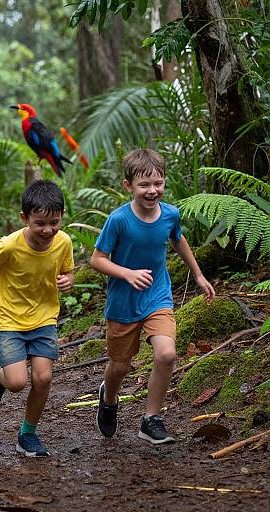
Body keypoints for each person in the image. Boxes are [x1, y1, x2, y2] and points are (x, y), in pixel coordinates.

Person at [90, 148, 215, 444]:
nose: (152, 191)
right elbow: (97, 259)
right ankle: (108, 398)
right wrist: (127, 273)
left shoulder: (170, 213)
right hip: (123, 303)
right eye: (144, 185)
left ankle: (151, 418)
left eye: (158, 183)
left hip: (158, 297)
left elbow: (178, 239)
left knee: (167, 353)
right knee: (120, 366)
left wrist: (197, 274)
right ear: (128, 186)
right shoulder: (118, 220)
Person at [0, 180, 74, 457]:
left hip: (45, 318)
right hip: (10, 321)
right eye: (40, 223)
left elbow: (69, 271)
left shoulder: (63, 242)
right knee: (17, 383)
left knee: (43, 378)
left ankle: (27, 434)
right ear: (24, 218)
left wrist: (67, 280)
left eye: (54, 223)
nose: (48, 230)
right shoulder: (10, 245)